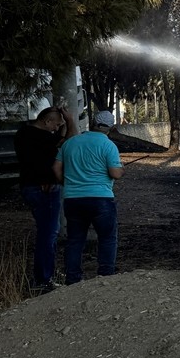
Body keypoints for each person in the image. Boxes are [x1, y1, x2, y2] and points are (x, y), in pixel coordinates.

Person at [53, 110, 123, 285]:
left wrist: (67, 183)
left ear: (92, 122)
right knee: (107, 238)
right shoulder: (109, 146)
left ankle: (73, 278)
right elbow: (115, 173)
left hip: (73, 199)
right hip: (101, 199)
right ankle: (106, 276)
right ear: (111, 128)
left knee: (75, 240)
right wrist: (122, 170)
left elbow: (55, 168)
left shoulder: (70, 143)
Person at [15, 105, 77, 292]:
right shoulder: (41, 137)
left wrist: (62, 126)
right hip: (44, 189)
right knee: (49, 233)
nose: (57, 128)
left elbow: (59, 140)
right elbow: (70, 140)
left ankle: (47, 273)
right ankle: (43, 279)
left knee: (47, 232)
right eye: (56, 125)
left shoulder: (24, 133)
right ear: (46, 121)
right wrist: (71, 120)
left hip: (29, 186)